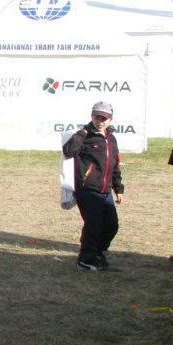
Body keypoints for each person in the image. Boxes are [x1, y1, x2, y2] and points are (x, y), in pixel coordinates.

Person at [62, 100, 124, 271]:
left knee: (112, 225)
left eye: (104, 118)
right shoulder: (84, 135)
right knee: (93, 224)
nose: (101, 121)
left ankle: (98, 252)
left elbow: (114, 165)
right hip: (87, 189)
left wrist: (118, 188)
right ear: (92, 116)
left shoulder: (111, 139)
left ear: (110, 120)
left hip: (106, 191)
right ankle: (86, 259)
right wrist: (82, 133)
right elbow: (68, 151)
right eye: (97, 117)